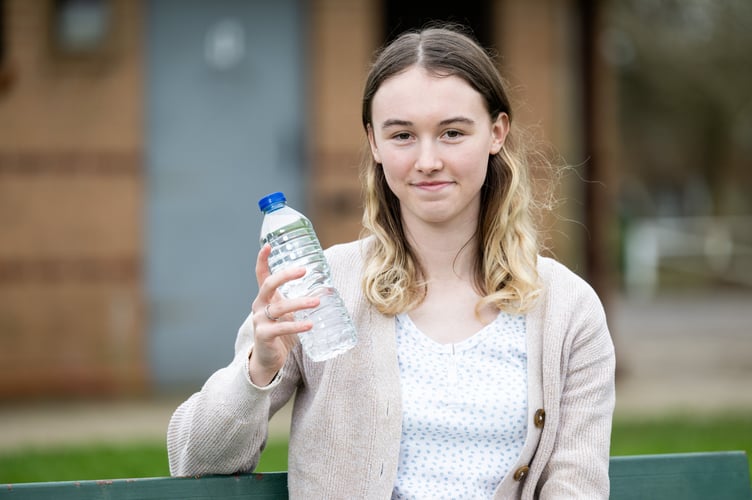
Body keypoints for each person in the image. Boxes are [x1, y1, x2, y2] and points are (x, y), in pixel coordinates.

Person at [167, 24, 615, 499]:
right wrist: (259, 367)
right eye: (402, 135)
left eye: (452, 133)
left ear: (496, 132)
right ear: (374, 143)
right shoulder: (322, 285)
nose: (427, 160)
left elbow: (577, 486)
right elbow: (195, 460)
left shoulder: (568, 308)